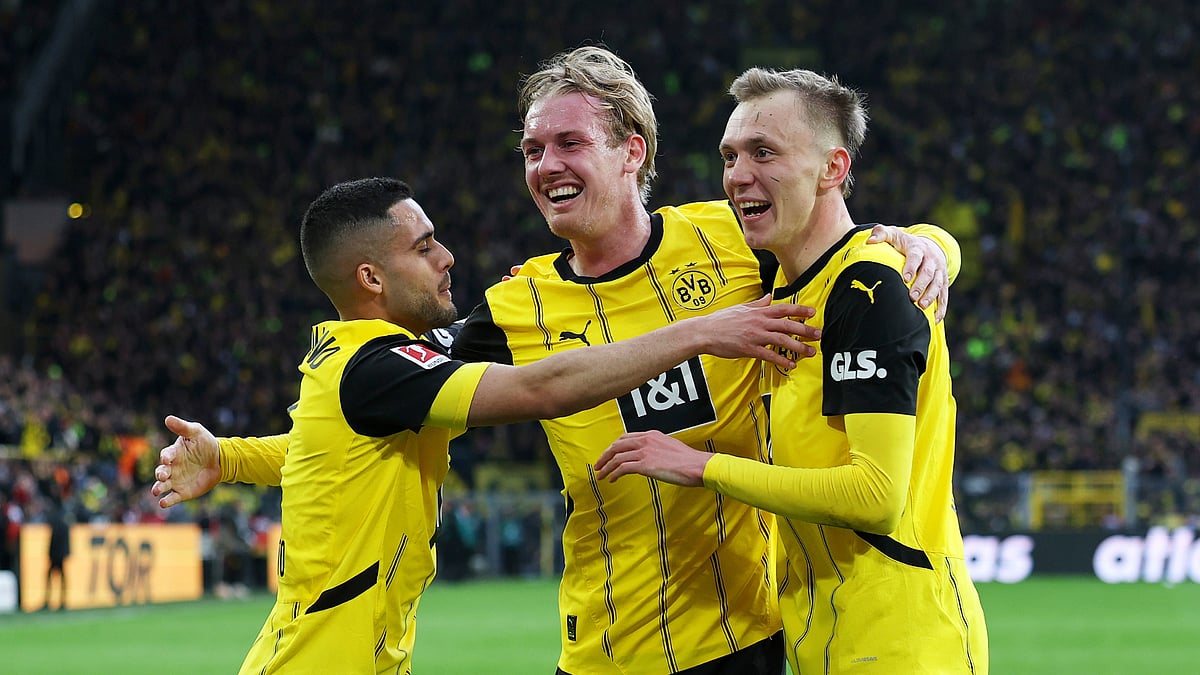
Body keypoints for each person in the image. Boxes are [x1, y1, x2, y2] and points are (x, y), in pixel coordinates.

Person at [161, 47, 960, 675]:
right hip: (603, 645)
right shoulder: (515, 309)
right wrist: (230, 457)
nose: (545, 165)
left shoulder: (735, 239)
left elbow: (851, 250)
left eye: (570, 142)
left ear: (629, 152)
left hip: (742, 633)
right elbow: (365, 418)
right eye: (532, 148)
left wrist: (932, 246)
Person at [150, 176, 820, 675]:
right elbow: (542, 385)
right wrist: (701, 332)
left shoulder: (371, 372)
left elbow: (322, 450)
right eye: (424, 246)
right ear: (370, 276)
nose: (446, 257)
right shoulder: (376, 367)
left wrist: (230, 457)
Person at [594, 66, 989, 673]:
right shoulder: (784, 284)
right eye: (729, 156)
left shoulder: (870, 288)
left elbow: (876, 496)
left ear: (832, 168)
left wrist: (700, 467)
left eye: (764, 152)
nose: (738, 175)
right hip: (820, 635)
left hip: (902, 646)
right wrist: (933, 240)